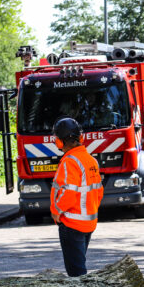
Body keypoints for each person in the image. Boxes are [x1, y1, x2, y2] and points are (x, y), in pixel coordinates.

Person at [49, 118, 104, 277]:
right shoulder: (91, 160)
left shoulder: (69, 162)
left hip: (72, 224)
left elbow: (69, 193)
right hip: (88, 222)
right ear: (81, 138)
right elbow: (98, 192)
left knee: (76, 273)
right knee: (80, 267)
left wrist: (56, 211)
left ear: (59, 142)